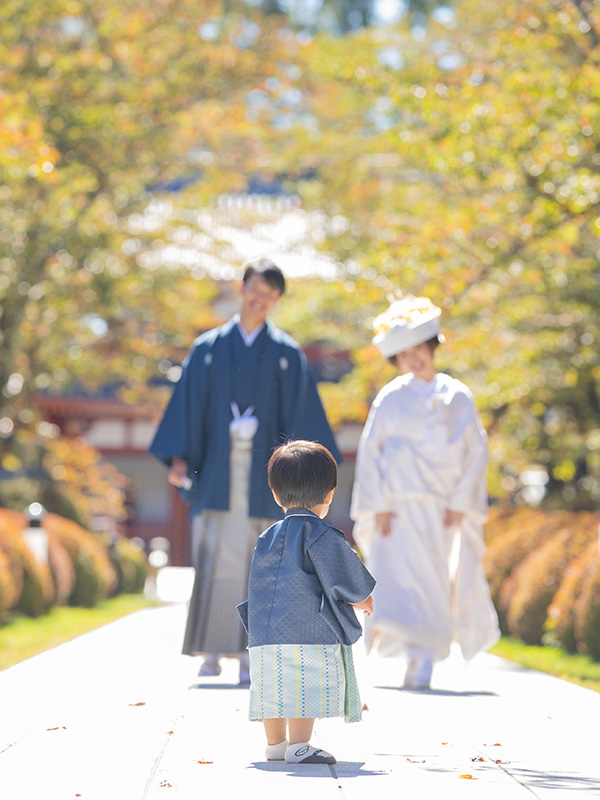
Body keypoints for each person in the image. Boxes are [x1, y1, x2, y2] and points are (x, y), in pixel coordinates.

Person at [149, 259, 341, 684]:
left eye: (270, 295)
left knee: (265, 563)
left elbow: (304, 419)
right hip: (218, 469)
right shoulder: (208, 348)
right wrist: (179, 457)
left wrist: (306, 475)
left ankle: (252, 653)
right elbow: (188, 406)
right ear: (242, 288)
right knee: (216, 558)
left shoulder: (286, 354)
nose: (261, 299)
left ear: (276, 301)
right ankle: (213, 649)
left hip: (267, 478)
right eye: (256, 289)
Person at [350, 294, 500, 689]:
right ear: (395, 361)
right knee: (395, 579)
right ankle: (409, 654)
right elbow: (370, 452)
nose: (414, 359)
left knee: (433, 580)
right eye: (405, 354)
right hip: (395, 509)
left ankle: (426, 656)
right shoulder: (390, 398)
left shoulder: (457, 395)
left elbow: (475, 451)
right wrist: (377, 503)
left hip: (439, 507)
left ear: (432, 347)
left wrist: (461, 501)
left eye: (420, 349)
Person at [237, 440, 375, 764]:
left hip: (265, 631)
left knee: (273, 684)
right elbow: (341, 574)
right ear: (329, 494)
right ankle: (299, 745)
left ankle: (275, 745)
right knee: (304, 686)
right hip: (308, 629)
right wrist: (363, 598)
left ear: (275, 493)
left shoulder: (267, 536)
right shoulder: (322, 534)